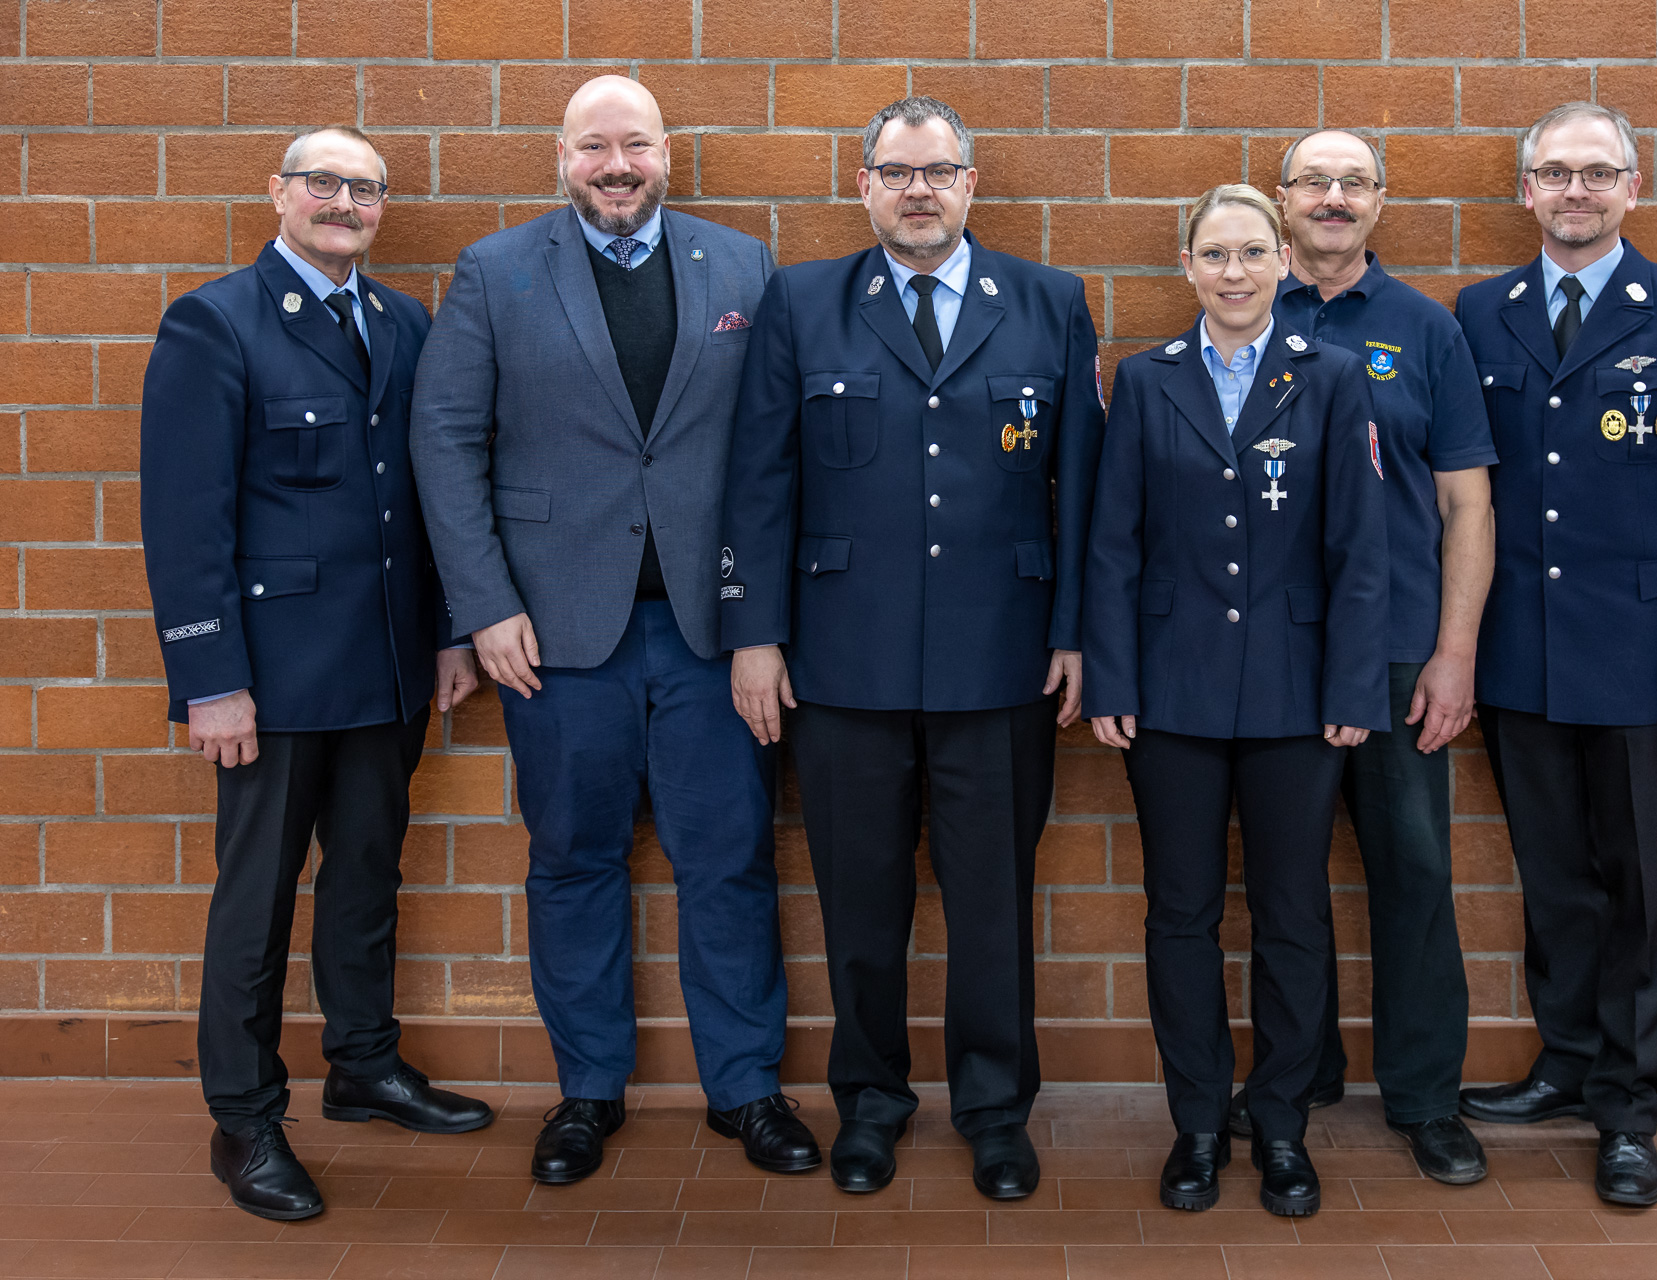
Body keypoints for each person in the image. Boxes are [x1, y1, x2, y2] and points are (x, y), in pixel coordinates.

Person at [410, 76, 815, 1185]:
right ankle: (586, 1087)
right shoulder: (497, 270)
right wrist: (484, 604)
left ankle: (746, 1086)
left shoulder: (741, 264)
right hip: (554, 637)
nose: (617, 164)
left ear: (668, 152)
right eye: (596, 147)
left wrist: (760, 624)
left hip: (706, 634)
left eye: (635, 144)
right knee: (573, 858)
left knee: (728, 859)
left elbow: (773, 456)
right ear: (562, 156)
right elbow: (446, 444)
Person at [722, 96, 1103, 1201]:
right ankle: (871, 1104)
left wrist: (1077, 629)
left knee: (992, 899)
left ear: (971, 184)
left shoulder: (1046, 301)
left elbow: (1079, 487)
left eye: (938, 171)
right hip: (845, 663)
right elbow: (759, 482)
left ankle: (994, 1111)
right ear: (864, 186)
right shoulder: (801, 302)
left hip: (1005, 658)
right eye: (896, 172)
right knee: (861, 899)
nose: (919, 189)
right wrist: (755, 633)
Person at [140, 125, 493, 1221]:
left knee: (365, 876)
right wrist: (210, 678)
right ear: (280, 194)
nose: (345, 201)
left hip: (383, 665)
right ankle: (243, 1119)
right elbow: (185, 517)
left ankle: (363, 1062)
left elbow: (425, 499)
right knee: (257, 899)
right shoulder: (214, 322)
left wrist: (443, 631)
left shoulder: (399, 319)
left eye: (366, 188)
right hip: (273, 676)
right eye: (324, 183)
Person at [1453, 102, 1657, 1207]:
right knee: (1555, 879)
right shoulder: (1481, 313)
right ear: (1523, 192)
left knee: (1640, 888)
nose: (1574, 191)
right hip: (1521, 654)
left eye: (1597, 173)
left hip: (1640, 657)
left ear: (1633, 187)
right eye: (1553, 173)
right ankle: (1569, 1064)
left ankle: (1629, 1109)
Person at [1083, 184, 1390, 1217]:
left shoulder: (1334, 377)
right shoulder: (1147, 377)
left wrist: (1353, 681)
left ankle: (1283, 1122)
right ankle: (1199, 1122)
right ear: (1187, 264)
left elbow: (1359, 549)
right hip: (1168, 695)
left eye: (1254, 252)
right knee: (1182, 913)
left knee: (1294, 914)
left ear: (1282, 263)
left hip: (1300, 697)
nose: (1234, 271)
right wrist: (1113, 680)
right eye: (1214, 253)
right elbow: (1113, 543)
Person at [1218, 130, 1497, 1185]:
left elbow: (1467, 502)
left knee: (1415, 868)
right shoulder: (1238, 307)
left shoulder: (1426, 330)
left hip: (1393, 654)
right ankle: (1304, 1068)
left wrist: (1453, 651)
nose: (1332, 199)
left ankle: (1427, 1094)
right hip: (1277, 650)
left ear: (1380, 202)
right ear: (1280, 200)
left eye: (1354, 183)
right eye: (1312, 182)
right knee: (1284, 877)